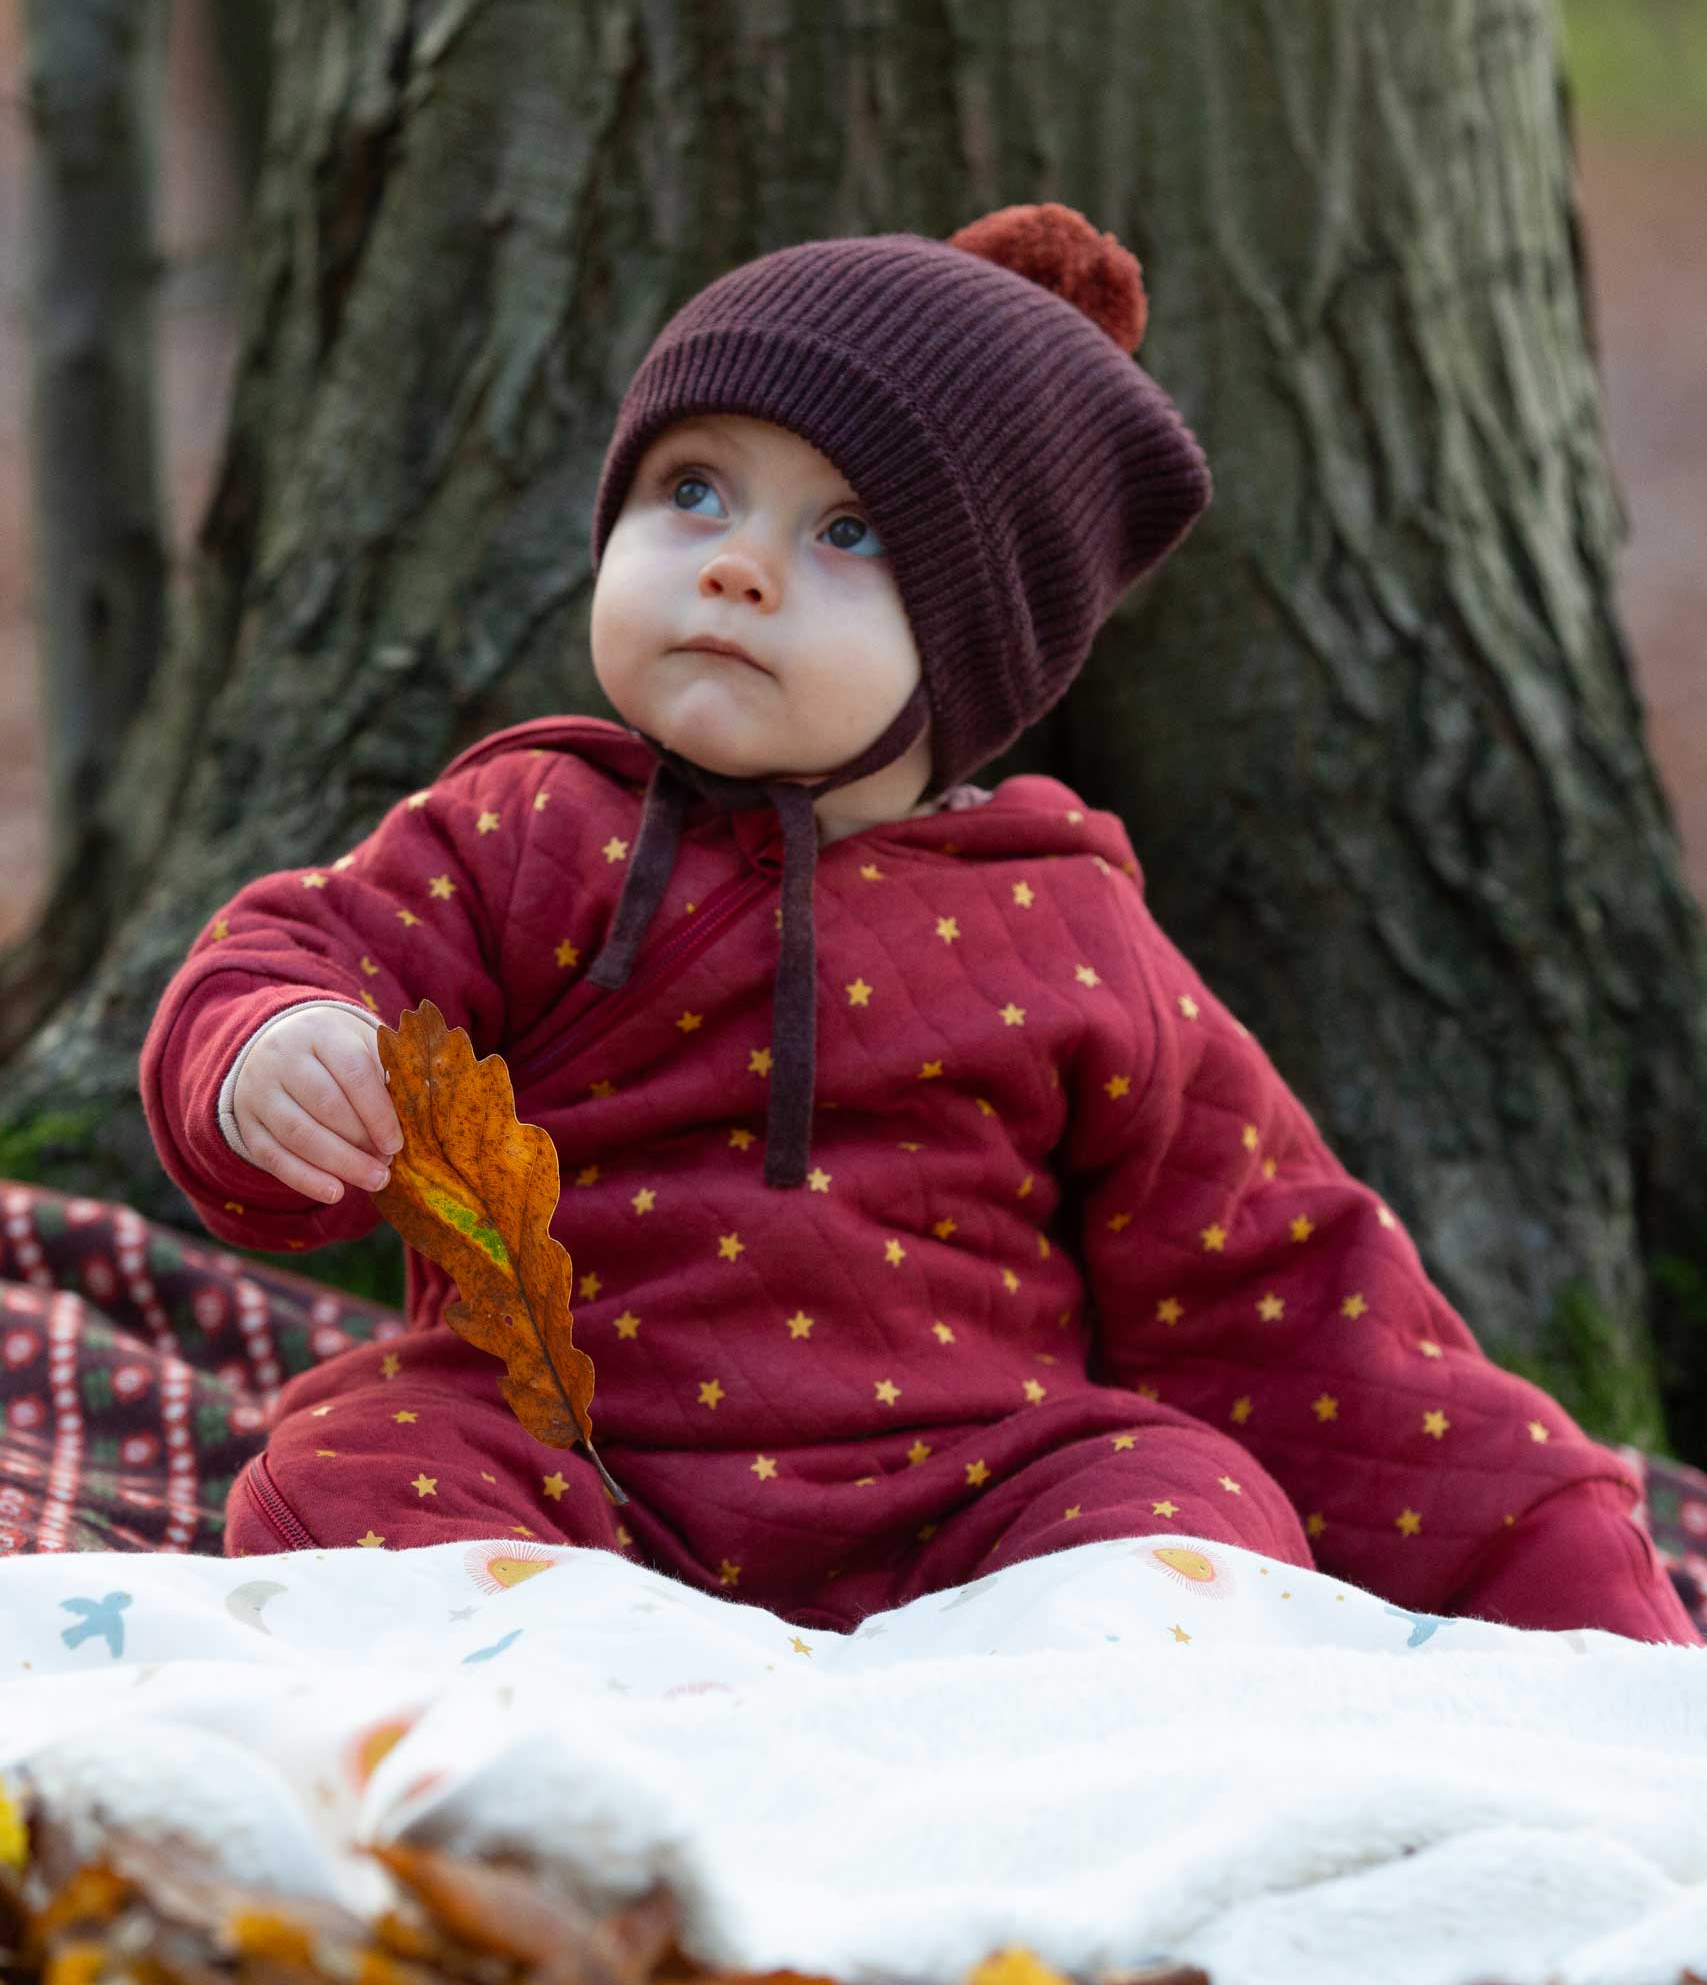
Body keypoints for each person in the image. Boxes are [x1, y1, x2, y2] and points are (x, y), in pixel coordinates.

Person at [140, 202, 1700, 1644]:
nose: (738, 567)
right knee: (347, 1459)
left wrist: (1559, 1563)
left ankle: (1040, 1764)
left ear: (982, 639)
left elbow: (1285, 1286)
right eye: (694, 491)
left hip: (970, 1499)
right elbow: (296, 951)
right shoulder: (525, 827)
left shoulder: (1067, 927)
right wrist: (275, 1052)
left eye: (849, 533)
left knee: (1191, 1512)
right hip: (561, 1457)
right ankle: (570, 1735)